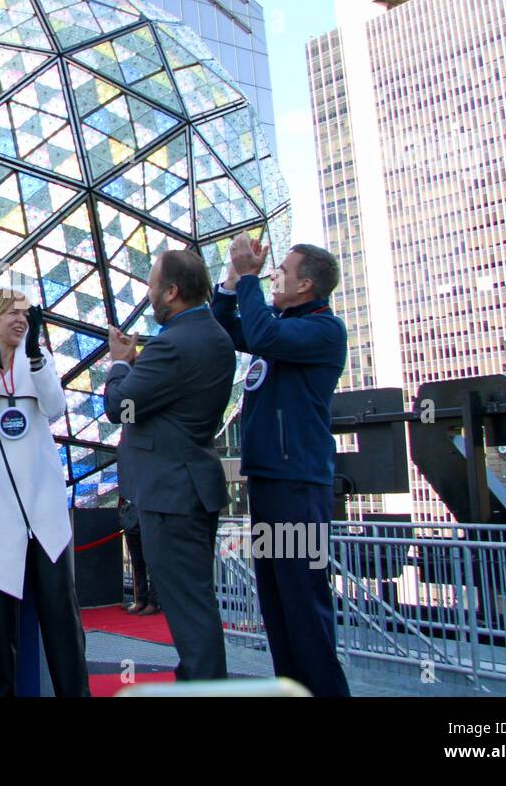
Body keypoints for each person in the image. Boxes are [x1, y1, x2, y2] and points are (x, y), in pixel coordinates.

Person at [212, 233, 351, 697]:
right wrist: (234, 284)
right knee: (277, 604)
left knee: (303, 603)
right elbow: (229, 331)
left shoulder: (322, 330)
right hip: (270, 480)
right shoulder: (278, 325)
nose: (275, 276)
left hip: (298, 483)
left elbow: (264, 334)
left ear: (306, 284)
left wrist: (251, 278)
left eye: (283, 272)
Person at [0, 290, 90, 697]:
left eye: (25, 314)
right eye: (11, 313)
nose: (20, 319)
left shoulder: (38, 358)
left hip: (44, 510)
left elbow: (55, 407)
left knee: (63, 620)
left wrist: (35, 359)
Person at [104, 249, 235, 680]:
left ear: (173, 291)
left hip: (171, 494)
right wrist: (140, 364)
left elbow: (120, 407)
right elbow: (172, 395)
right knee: (194, 605)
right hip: (191, 485)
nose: (149, 294)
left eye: (153, 285)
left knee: (189, 612)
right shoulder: (213, 335)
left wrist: (120, 366)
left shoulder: (174, 344)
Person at [119, 496, 158, 615]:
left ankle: (153, 602)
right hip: (131, 519)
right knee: (137, 563)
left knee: (152, 563)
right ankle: (141, 599)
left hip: (148, 516)